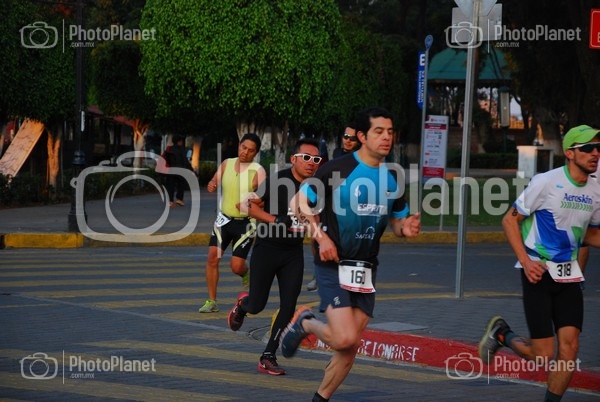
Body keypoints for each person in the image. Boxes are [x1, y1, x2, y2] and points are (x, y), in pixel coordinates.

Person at [281, 107, 421, 401]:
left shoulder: (392, 178)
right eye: (378, 131)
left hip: (366, 269)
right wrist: (321, 238)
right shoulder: (338, 169)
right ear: (362, 136)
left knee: (349, 345)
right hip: (333, 262)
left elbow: (397, 222)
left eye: (390, 132)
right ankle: (305, 322)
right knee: (344, 337)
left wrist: (405, 228)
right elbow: (300, 204)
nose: (386, 137)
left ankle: (321, 398)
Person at [479, 125, 600, 402]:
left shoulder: (596, 190)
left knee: (570, 349)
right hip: (538, 272)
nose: (595, 153)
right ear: (570, 153)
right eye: (587, 148)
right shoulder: (546, 182)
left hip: (569, 275)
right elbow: (509, 220)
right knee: (543, 356)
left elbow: (590, 234)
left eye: (598, 148)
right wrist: (525, 261)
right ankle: (503, 334)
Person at [227, 138, 321, 375]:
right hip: (267, 249)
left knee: (288, 307)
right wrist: (275, 220)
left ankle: (268, 355)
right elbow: (245, 205)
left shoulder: (316, 187)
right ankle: (242, 306)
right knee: (257, 305)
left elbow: (315, 219)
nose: (311, 163)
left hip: (293, 253)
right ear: (293, 159)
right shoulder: (278, 180)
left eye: (316, 159)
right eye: (306, 158)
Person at [199, 133, 266, 313]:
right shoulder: (226, 164)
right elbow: (215, 179)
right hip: (224, 219)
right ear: (239, 145)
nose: (245, 152)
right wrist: (212, 184)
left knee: (236, 266)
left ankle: (245, 273)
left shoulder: (258, 171)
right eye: (243, 147)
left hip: (246, 223)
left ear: (255, 153)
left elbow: (265, 199)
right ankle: (211, 301)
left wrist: (249, 204)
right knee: (212, 257)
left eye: (250, 150)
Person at [307, 125, 361, 292]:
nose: (348, 141)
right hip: (327, 199)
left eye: (352, 138)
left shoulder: (359, 159)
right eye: (345, 136)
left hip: (348, 206)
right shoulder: (337, 153)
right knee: (315, 236)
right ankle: (318, 273)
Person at [163, 135, 193, 207]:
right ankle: (179, 199)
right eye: (181, 141)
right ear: (179, 141)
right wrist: (191, 169)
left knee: (171, 186)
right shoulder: (181, 149)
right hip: (180, 170)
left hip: (171, 170)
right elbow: (185, 160)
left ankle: (170, 201)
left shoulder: (169, 149)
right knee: (181, 185)